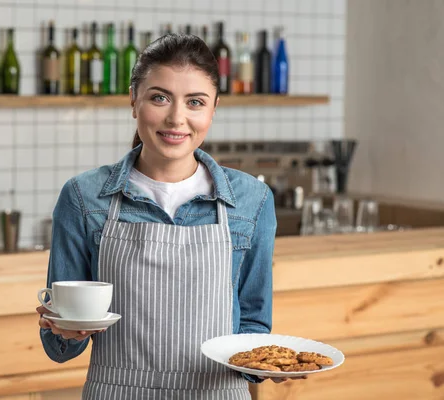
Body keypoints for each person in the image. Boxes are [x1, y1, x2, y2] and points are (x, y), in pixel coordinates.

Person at [37, 33, 289, 399]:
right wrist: (63, 331)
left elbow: (252, 323)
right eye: (160, 97)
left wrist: (265, 365)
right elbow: (58, 346)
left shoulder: (252, 200)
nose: (177, 118)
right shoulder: (83, 197)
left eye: (195, 102)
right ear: (133, 100)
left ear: (214, 109)